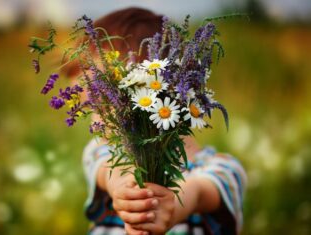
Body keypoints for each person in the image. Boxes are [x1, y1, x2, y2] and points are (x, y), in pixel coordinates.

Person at [78, 7, 247, 235]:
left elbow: (203, 189)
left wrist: (177, 204)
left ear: (148, 88)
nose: (94, 111)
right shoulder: (103, 154)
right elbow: (105, 167)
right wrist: (123, 186)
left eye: (105, 97)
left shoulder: (223, 169)